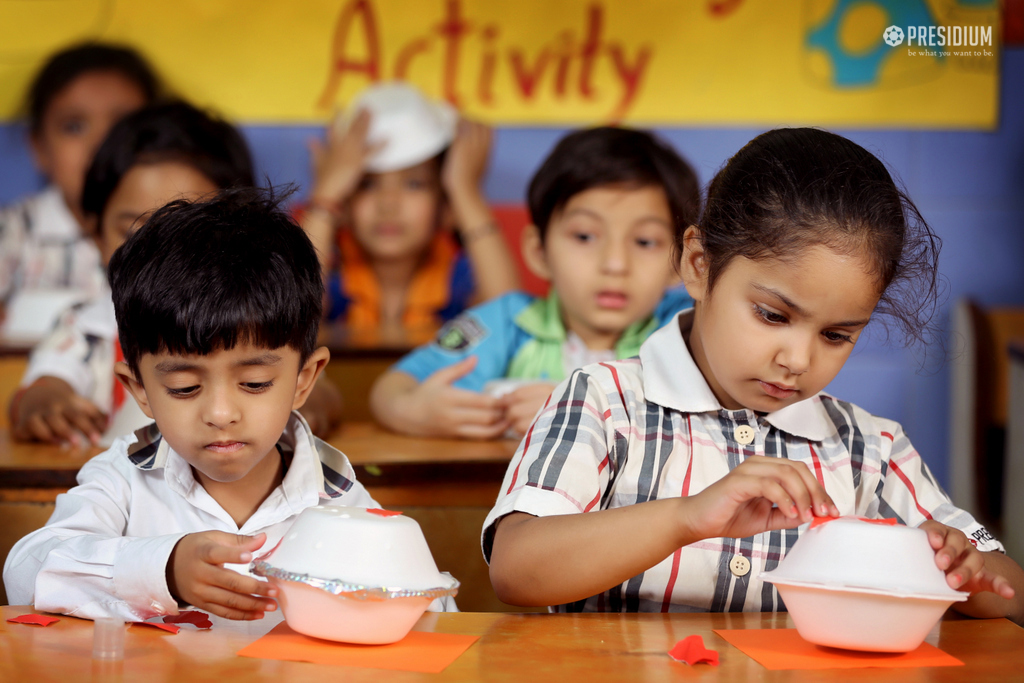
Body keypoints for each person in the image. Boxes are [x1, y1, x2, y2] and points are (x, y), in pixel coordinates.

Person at [483, 128, 1024, 624]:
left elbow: (1008, 586)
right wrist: (684, 518)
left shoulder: (871, 451)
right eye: (772, 315)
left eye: (836, 335)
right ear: (698, 264)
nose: (798, 359)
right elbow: (515, 566)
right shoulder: (603, 401)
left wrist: (963, 568)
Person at [3, 188, 378, 621]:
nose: (220, 414)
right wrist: (163, 569)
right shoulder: (124, 479)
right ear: (139, 388)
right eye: (184, 388)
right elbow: (26, 571)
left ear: (304, 380)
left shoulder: (340, 498)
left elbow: (431, 608)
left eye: (254, 383)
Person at [369, 127, 700, 439]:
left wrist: (578, 409)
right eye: (585, 236)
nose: (615, 265)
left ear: (682, 260)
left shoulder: (691, 328)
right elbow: (389, 389)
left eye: (644, 242)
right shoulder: (508, 322)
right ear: (539, 250)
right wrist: (415, 411)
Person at [301, 82, 519, 330]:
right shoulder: (331, 279)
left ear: (446, 205)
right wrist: (324, 200)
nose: (388, 204)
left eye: (414, 184)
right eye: (367, 185)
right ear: (344, 203)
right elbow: (295, 323)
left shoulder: (458, 280)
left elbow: (507, 316)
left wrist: (465, 191)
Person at [0, 43, 158, 308]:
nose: (101, 143)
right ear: (39, 148)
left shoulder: (170, 231)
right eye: (74, 126)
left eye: (122, 126)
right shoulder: (12, 233)